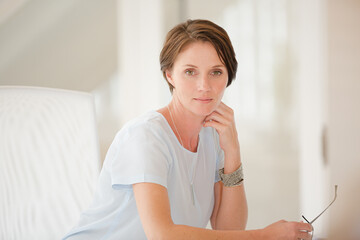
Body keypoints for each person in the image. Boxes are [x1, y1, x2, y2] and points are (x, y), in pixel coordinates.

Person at [63, 19, 312, 240]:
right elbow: (162, 235)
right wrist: (264, 236)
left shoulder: (213, 136)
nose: (204, 86)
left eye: (216, 72)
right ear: (169, 74)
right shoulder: (146, 137)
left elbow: (228, 229)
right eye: (190, 72)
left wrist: (233, 150)